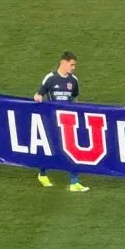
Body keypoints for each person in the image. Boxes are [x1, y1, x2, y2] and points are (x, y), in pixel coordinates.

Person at [34, 51, 89, 192]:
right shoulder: (51, 78)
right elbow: (39, 93)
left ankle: (74, 182)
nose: (73, 68)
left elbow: (75, 98)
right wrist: (38, 96)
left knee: (73, 150)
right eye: (72, 65)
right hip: (52, 120)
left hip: (68, 122)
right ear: (63, 63)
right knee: (51, 150)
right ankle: (42, 173)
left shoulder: (73, 80)